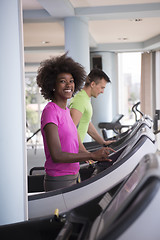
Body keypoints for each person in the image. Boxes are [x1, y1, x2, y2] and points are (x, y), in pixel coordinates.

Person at [36, 54, 114, 192]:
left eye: (71, 81)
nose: (68, 85)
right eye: (62, 81)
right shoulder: (50, 112)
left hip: (73, 174)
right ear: (52, 85)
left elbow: (73, 142)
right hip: (59, 179)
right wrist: (91, 155)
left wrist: (94, 155)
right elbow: (57, 155)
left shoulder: (65, 110)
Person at [69, 68, 113, 145]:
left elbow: (87, 124)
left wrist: (103, 142)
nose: (102, 92)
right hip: (72, 150)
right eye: (102, 87)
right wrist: (84, 152)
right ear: (92, 84)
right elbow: (70, 129)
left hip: (76, 149)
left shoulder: (85, 98)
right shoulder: (80, 100)